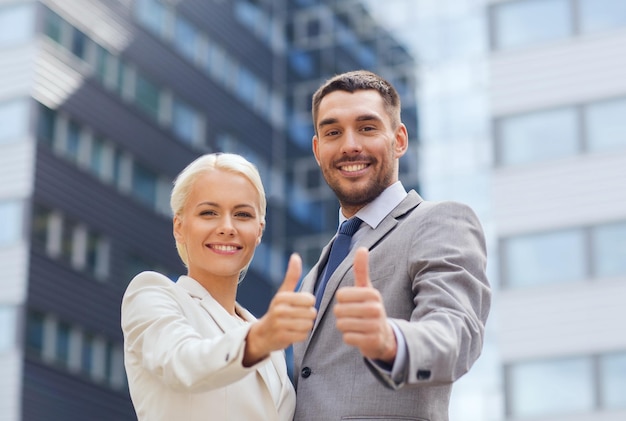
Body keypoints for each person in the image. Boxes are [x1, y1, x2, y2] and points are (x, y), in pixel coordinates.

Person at [292, 70, 491, 421]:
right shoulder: (315, 272)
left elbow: (455, 332)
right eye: (333, 132)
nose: (350, 145)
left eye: (367, 128)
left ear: (399, 139)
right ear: (317, 148)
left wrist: (390, 340)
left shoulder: (438, 221)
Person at [121, 153, 317, 421]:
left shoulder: (267, 341)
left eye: (242, 214)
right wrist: (259, 340)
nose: (227, 227)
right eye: (209, 213)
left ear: (259, 230)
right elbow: (183, 362)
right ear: (179, 227)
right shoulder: (151, 295)